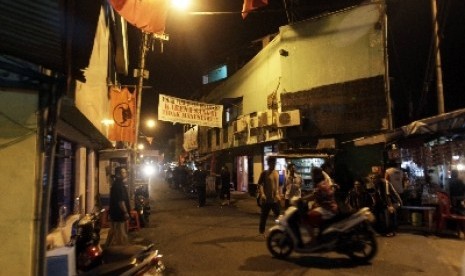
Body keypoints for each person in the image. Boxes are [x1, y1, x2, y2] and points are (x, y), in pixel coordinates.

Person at [304, 167, 339, 243]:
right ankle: (320, 233)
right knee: (313, 209)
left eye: (312, 174)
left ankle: (313, 240)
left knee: (307, 218)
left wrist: (301, 199)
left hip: (327, 209)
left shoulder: (320, 185)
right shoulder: (324, 182)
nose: (312, 176)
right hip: (331, 207)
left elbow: (313, 196)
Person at [106, 166, 131, 247]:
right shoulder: (119, 185)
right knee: (121, 235)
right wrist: (125, 212)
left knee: (113, 231)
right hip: (119, 214)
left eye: (125, 172)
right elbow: (121, 201)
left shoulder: (117, 184)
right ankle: (121, 251)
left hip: (114, 213)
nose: (125, 174)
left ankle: (107, 248)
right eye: (123, 172)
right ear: (118, 175)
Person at [372, 173, 403, 237]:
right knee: (375, 213)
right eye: (372, 178)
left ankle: (391, 231)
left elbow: (394, 193)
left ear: (379, 178)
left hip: (390, 203)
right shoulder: (375, 185)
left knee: (389, 214)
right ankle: (381, 230)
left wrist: (400, 201)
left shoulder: (386, 184)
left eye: (374, 178)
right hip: (382, 203)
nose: (373, 180)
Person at [258, 156, 282, 235]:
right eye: (272, 163)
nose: (274, 164)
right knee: (264, 218)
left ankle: (279, 230)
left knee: (279, 216)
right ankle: (261, 232)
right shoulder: (264, 173)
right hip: (266, 200)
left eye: (275, 163)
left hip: (275, 200)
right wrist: (262, 194)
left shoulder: (277, 172)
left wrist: (280, 194)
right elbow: (260, 185)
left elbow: (279, 185)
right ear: (268, 163)